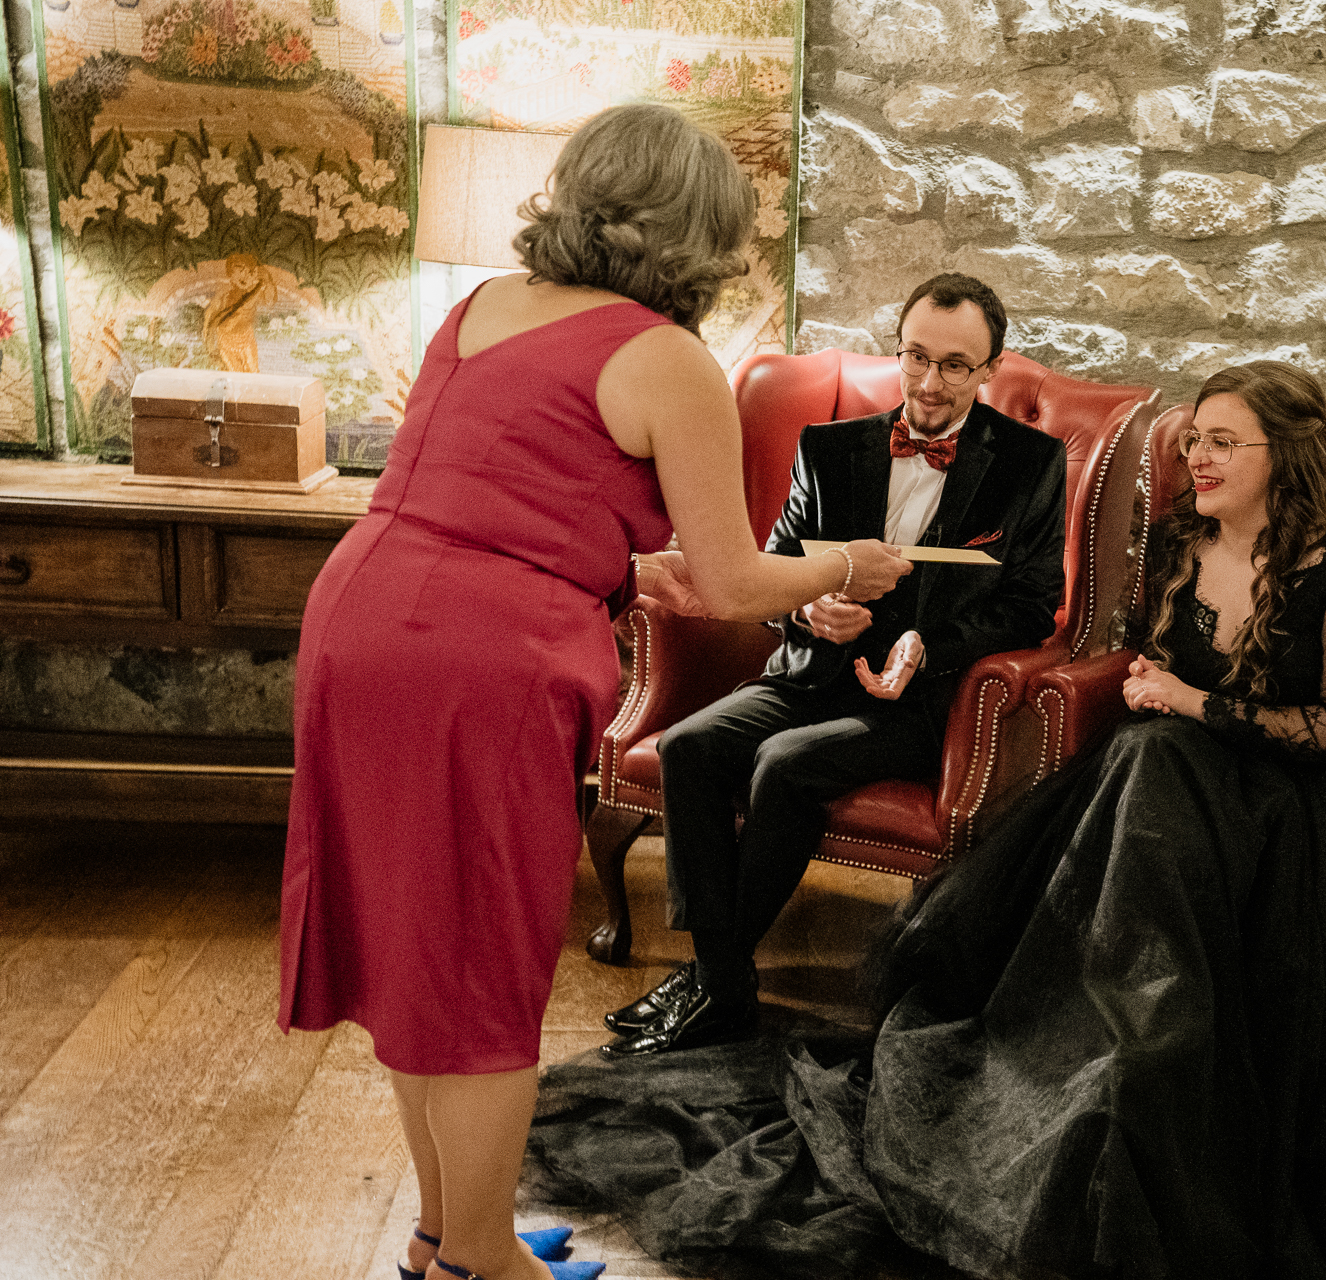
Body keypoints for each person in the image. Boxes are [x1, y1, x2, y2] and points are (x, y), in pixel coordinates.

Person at [527, 360, 1326, 1279]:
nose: (1199, 460)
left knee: (1150, 757)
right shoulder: (1181, 541)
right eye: (1196, 440)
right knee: (1141, 759)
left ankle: (1147, 1035)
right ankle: (1077, 1022)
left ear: (1282, 455)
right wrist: (1147, 682)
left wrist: (1185, 702)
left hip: (1304, 797)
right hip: (1176, 772)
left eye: (1223, 443)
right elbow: (1147, 654)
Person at [276, 104, 912, 1280]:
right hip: (472, 662)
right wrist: (845, 565)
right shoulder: (668, 358)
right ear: (700, 234)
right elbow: (731, 579)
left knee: (423, 955)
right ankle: (482, 1262)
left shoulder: (479, 307)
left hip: (361, 616)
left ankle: (443, 1235)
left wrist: (619, 563)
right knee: (480, 965)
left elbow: (490, 494)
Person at [598, 272, 1069, 1058]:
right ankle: (722, 980)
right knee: (691, 746)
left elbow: (1030, 607)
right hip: (807, 672)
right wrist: (806, 607)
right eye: (917, 356)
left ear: (989, 369)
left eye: (956, 364)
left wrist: (930, 645)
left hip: (922, 702)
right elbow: (774, 569)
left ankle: (709, 983)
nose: (930, 380)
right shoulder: (829, 446)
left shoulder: (1030, 464)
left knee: (783, 766)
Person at [202, 251, 272, 372]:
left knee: (252, 371)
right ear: (230, 275)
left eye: (249, 272)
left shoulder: (255, 292)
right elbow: (211, 313)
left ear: (254, 275)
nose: (244, 276)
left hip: (246, 338)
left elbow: (270, 300)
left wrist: (266, 279)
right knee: (234, 373)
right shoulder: (225, 295)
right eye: (239, 271)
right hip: (226, 340)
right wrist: (208, 339)